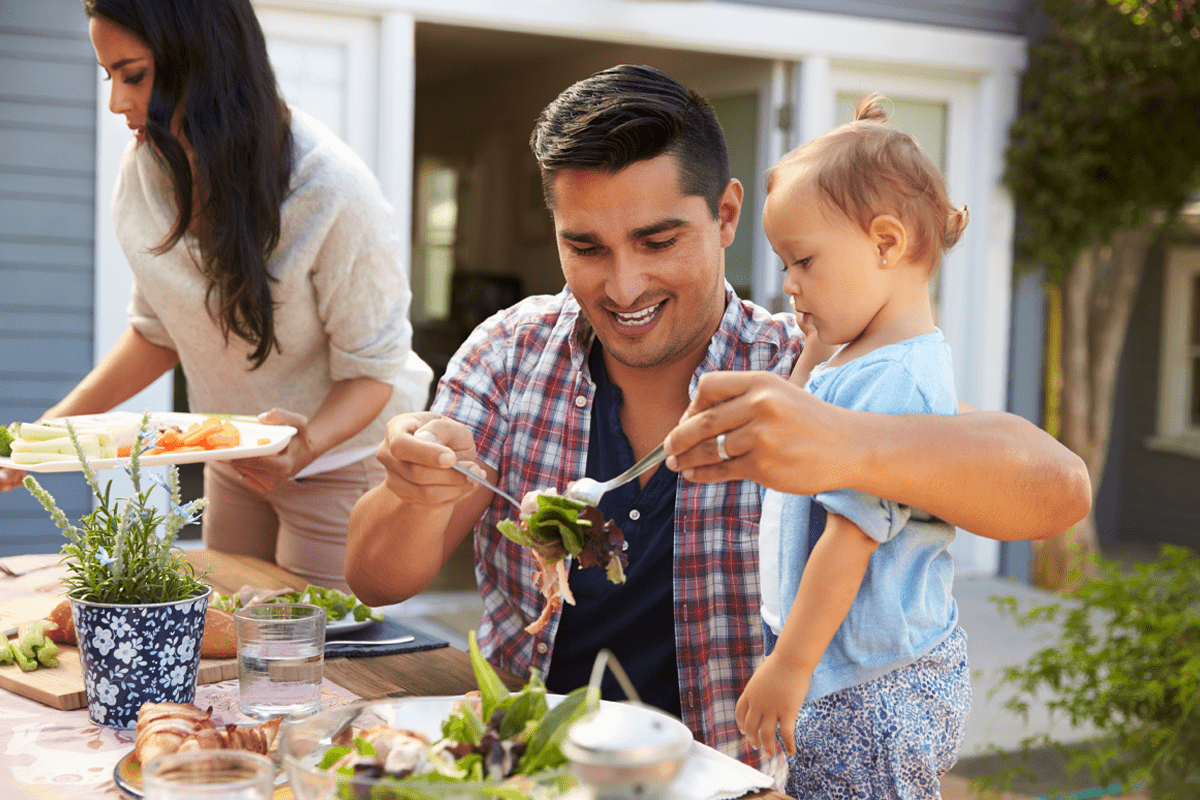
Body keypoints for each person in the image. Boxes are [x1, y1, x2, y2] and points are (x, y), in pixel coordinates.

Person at [344, 64, 1089, 771]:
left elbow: (1058, 491)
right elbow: (378, 581)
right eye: (586, 247)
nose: (623, 283)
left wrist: (849, 445)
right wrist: (414, 490)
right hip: (528, 766)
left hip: (725, 776)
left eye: (658, 240)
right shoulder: (510, 353)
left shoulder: (806, 370)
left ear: (726, 214)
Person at [0, 0, 432, 591]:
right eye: (110, 77)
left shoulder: (330, 189)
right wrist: (46, 436)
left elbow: (373, 370)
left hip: (339, 458)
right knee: (221, 634)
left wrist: (303, 448)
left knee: (321, 658)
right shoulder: (148, 171)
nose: (116, 103)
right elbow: (157, 332)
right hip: (234, 451)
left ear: (201, 61)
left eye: (134, 75)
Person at [729, 94, 971, 798]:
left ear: (886, 244)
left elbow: (849, 537)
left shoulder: (900, 379)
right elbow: (806, 436)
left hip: (872, 684)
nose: (788, 284)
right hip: (844, 661)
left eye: (803, 261)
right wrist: (810, 358)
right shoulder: (857, 360)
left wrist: (790, 665)